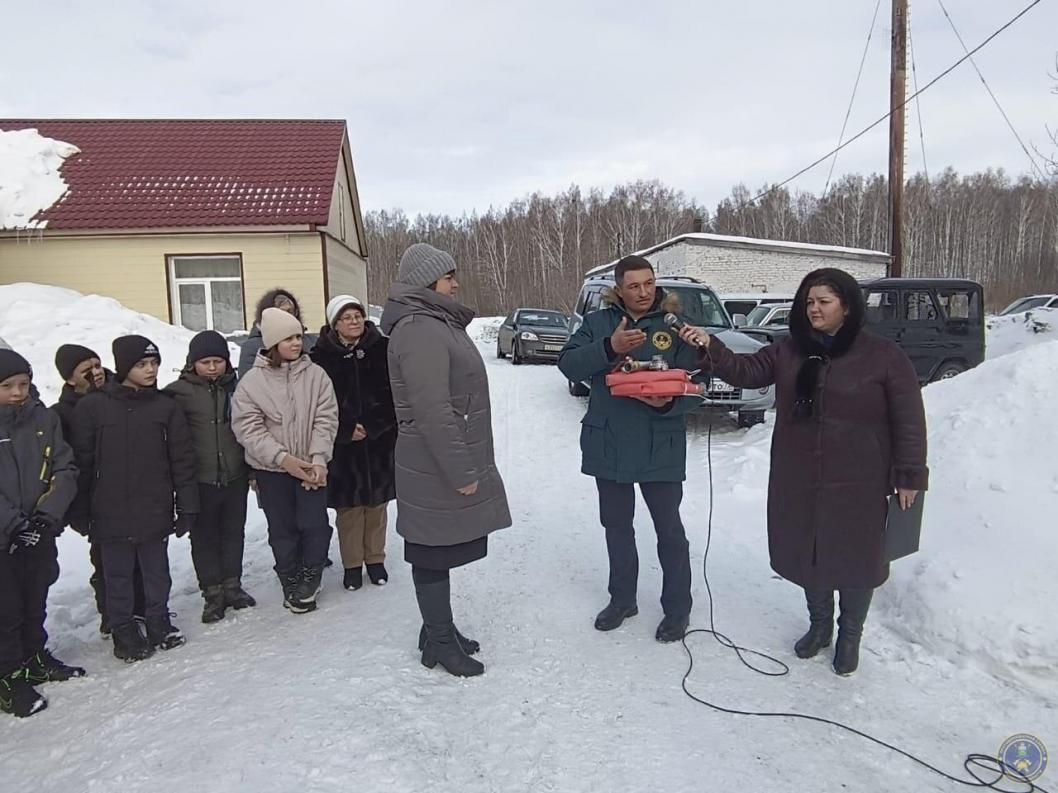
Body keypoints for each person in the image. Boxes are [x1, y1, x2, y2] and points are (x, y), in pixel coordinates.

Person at [679, 267, 928, 676]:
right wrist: (712, 346)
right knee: (809, 551)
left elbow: (909, 420)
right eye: (809, 302)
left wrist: (909, 475)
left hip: (861, 479)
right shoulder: (789, 349)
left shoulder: (883, 356)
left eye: (823, 302)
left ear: (846, 307)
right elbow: (747, 372)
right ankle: (819, 627)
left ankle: (850, 636)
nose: (814, 309)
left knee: (857, 558)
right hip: (800, 476)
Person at [380, 243, 511, 678]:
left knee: (438, 548)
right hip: (433, 463)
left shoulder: (435, 322)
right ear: (426, 281)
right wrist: (461, 470)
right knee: (431, 551)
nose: (455, 283)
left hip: (437, 458)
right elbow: (432, 408)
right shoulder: (419, 328)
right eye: (448, 276)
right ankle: (438, 641)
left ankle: (439, 629)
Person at [558, 255, 703, 643]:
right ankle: (622, 599)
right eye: (634, 285)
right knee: (617, 527)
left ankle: (678, 608)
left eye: (649, 283)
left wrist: (673, 403)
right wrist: (610, 346)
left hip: (661, 444)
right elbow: (568, 365)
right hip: (611, 443)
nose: (643, 292)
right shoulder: (598, 323)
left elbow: (699, 384)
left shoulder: (674, 326)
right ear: (618, 289)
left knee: (669, 530)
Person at [69, 336, 199, 662]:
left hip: (153, 506)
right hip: (108, 510)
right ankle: (123, 630)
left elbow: (182, 460)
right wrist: (80, 510)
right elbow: (82, 463)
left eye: (154, 363)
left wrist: (186, 504)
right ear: (125, 366)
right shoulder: (93, 407)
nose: (151, 370)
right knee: (117, 576)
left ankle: (158, 621)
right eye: (142, 364)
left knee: (157, 572)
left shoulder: (165, 406)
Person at [232, 308, 338, 614]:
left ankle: (311, 573)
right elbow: (247, 427)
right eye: (289, 338)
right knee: (282, 528)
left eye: (298, 336)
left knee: (315, 524)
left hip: (310, 467)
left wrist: (317, 460)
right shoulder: (252, 383)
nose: (296, 343)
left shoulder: (316, 375)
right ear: (273, 343)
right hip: (273, 471)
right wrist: (282, 458)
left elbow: (326, 418)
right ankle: (289, 575)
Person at [0, 349, 81, 718]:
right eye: (7, 386)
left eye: (23, 384)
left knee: (36, 595)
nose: (18, 392)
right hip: (5, 536)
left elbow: (64, 467)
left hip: (38, 529)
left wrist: (45, 518)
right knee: (7, 607)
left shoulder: (43, 419)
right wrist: (14, 525)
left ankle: (33, 656)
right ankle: (7, 676)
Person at [52, 344, 145, 636]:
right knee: (106, 561)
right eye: (85, 370)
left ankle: (141, 609)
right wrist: (76, 509)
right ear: (70, 379)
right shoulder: (62, 413)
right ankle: (113, 615)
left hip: (133, 490)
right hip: (94, 497)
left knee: (141, 556)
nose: (96, 373)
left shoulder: (123, 394)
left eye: (97, 364)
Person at [164, 331, 255, 623]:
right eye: (206, 362)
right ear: (193, 363)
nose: (213, 367)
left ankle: (233, 584)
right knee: (204, 538)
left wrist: (251, 468)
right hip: (200, 479)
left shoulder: (239, 388)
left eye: (218, 361)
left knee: (233, 532)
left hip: (234, 474)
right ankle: (212, 592)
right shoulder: (178, 393)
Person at [310, 295, 397, 592]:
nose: (354, 321)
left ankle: (375, 559)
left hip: (379, 442)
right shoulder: (320, 358)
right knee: (349, 510)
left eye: (357, 315)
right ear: (335, 324)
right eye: (347, 317)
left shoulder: (381, 349)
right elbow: (316, 405)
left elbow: (395, 394)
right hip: (342, 447)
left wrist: (373, 425)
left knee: (376, 506)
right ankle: (351, 565)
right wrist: (345, 429)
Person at [237, 289, 318, 378]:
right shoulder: (252, 347)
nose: (287, 316)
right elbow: (247, 385)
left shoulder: (311, 342)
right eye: (281, 312)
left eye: (290, 311)